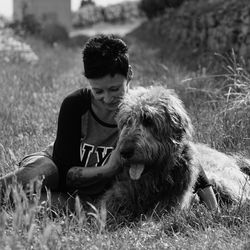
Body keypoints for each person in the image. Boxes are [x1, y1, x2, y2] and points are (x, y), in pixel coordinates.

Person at [0, 34, 219, 211]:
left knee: (73, 205)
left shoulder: (138, 111)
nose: (107, 98)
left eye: (114, 89)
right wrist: (110, 168)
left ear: (129, 75)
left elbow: (181, 147)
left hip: (86, 195)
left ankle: (24, 201)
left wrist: (211, 202)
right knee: (47, 170)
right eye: (98, 91)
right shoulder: (75, 104)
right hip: (58, 170)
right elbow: (65, 174)